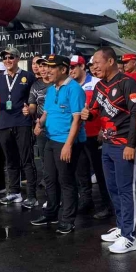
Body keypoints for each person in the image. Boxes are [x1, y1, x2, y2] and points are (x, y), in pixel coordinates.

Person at [82, 46, 136, 254]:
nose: (93, 67)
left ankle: (129, 236)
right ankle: (121, 226)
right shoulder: (99, 86)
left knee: (126, 189)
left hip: (124, 145)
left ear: (110, 62)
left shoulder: (128, 83)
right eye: (92, 64)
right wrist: (87, 115)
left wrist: (131, 145)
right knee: (112, 188)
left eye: (97, 63)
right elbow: (94, 112)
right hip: (106, 144)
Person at [30, 55, 86, 234]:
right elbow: (47, 112)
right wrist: (40, 124)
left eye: (51, 67)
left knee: (66, 181)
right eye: (46, 66)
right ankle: (51, 213)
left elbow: (77, 120)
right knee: (49, 178)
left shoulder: (74, 89)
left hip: (66, 142)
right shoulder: (52, 89)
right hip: (51, 139)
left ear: (63, 69)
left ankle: (68, 220)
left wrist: (68, 145)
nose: (46, 70)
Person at [0, 46, 37, 205]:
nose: (8, 60)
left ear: (18, 58)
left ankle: (32, 196)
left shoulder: (28, 76)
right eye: (5, 58)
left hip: (22, 122)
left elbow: (34, 99)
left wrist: (31, 109)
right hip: (4, 124)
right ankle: (14, 192)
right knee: (11, 160)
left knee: (26, 160)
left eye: (11, 57)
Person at [71, 55, 111, 219]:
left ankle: (107, 205)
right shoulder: (71, 85)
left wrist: (103, 129)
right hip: (79, 135)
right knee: (81, 172)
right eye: (70, 67)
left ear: (83, 67)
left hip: (96, 135)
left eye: (74, 67)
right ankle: (87, 201)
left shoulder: (96, 83)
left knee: (101, 173)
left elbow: (106, 108)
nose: (71, 70)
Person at [26, 57, 50, 209]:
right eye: (39, 66)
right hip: (41, 128)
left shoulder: (57, 84)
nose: (42, 68)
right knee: (44, 163)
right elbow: (33, 106)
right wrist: (28, 110)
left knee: (60, 164)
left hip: (58, 129)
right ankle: (51, 195)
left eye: (45, 65)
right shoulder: (35, 85)